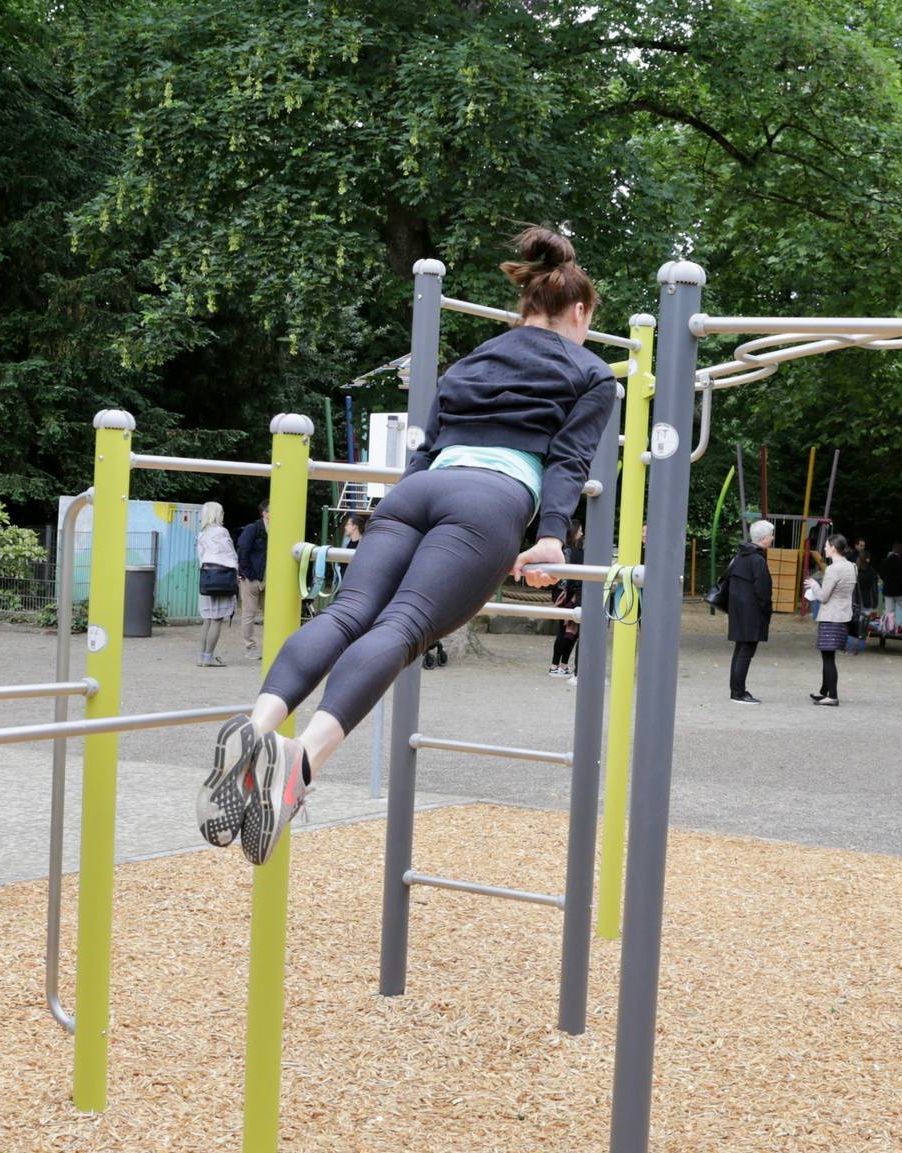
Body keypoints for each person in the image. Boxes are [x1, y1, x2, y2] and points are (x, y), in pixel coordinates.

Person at [196, 227, 612, 862]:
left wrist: (387, 516)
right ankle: (297, 767)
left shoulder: (470, 363)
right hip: (492, 498)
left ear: (522, 307)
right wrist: (552, 538)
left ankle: (255, 729)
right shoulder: (591, 372)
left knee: (345, 615)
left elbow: (424, 450)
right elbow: (568, 460)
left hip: (417, 491)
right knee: (403, 628)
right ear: (579, 312)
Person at [724, 521, 777, 703]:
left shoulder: (741, 556)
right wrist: (767, 610)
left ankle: (735, 690)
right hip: (752, 613)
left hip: (738, 610)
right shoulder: (758, 560)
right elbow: (763, 590)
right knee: (745, 652)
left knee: (740, 650)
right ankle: (738, 692)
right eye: (771, 535)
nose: (773, 538)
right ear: (764, 539)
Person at [809, 533, 857, 704]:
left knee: (828, 658)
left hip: (830, 617)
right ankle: (824, 691)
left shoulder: (832, 569)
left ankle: (833, 696)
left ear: (834, 548)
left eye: (827, 546)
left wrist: (814, 585)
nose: (824, 548)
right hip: (844, 616)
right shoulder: (852, 566)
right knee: (828, 656)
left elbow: (823, 597)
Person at [195, 501, 241, 667]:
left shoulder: (201, 533)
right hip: (221, 578)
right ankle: (209, 657)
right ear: (217, 514)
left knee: (207, 619)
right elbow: (229, 555)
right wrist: (237, 572)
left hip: (207, 578)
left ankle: (201, 657)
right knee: (217, 619)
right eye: (221, 512)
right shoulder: (221, 532)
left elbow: (201, 557)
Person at [549, 521, 584, 677]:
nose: (582, 534)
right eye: (580, 531)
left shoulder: (570, 550)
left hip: (566, 594)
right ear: (574, 532)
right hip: (568, 595)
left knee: (569, 631)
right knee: (567, 631)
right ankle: (557, 665)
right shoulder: (569, 552)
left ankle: (560, 665)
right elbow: (564, 577)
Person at [234, 502, 268, 658]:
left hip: (268, 578)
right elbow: (243, 552)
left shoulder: (277, 529)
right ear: (265, 513)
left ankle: (270, 645)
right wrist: (249, 575)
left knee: (271, 613)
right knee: (249, 614)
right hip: (252, 578)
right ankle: (250, 647)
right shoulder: (253, 529)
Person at [850, 538, 881, 647]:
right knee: (864, 624)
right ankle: (860, 644)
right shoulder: (872, 572)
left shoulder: (855, 571)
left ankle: (852, 645)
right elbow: (874, 589)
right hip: (868, 602)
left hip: (856, 601)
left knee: (855, 623)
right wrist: (875, 602)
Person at [881, 543, 902, 629]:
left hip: (888, 590)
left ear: (892, 550)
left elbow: (882, 575)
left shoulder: (885, 561)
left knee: (889, 611)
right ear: (901, 551)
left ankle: (889, 627)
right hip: (900, 590)